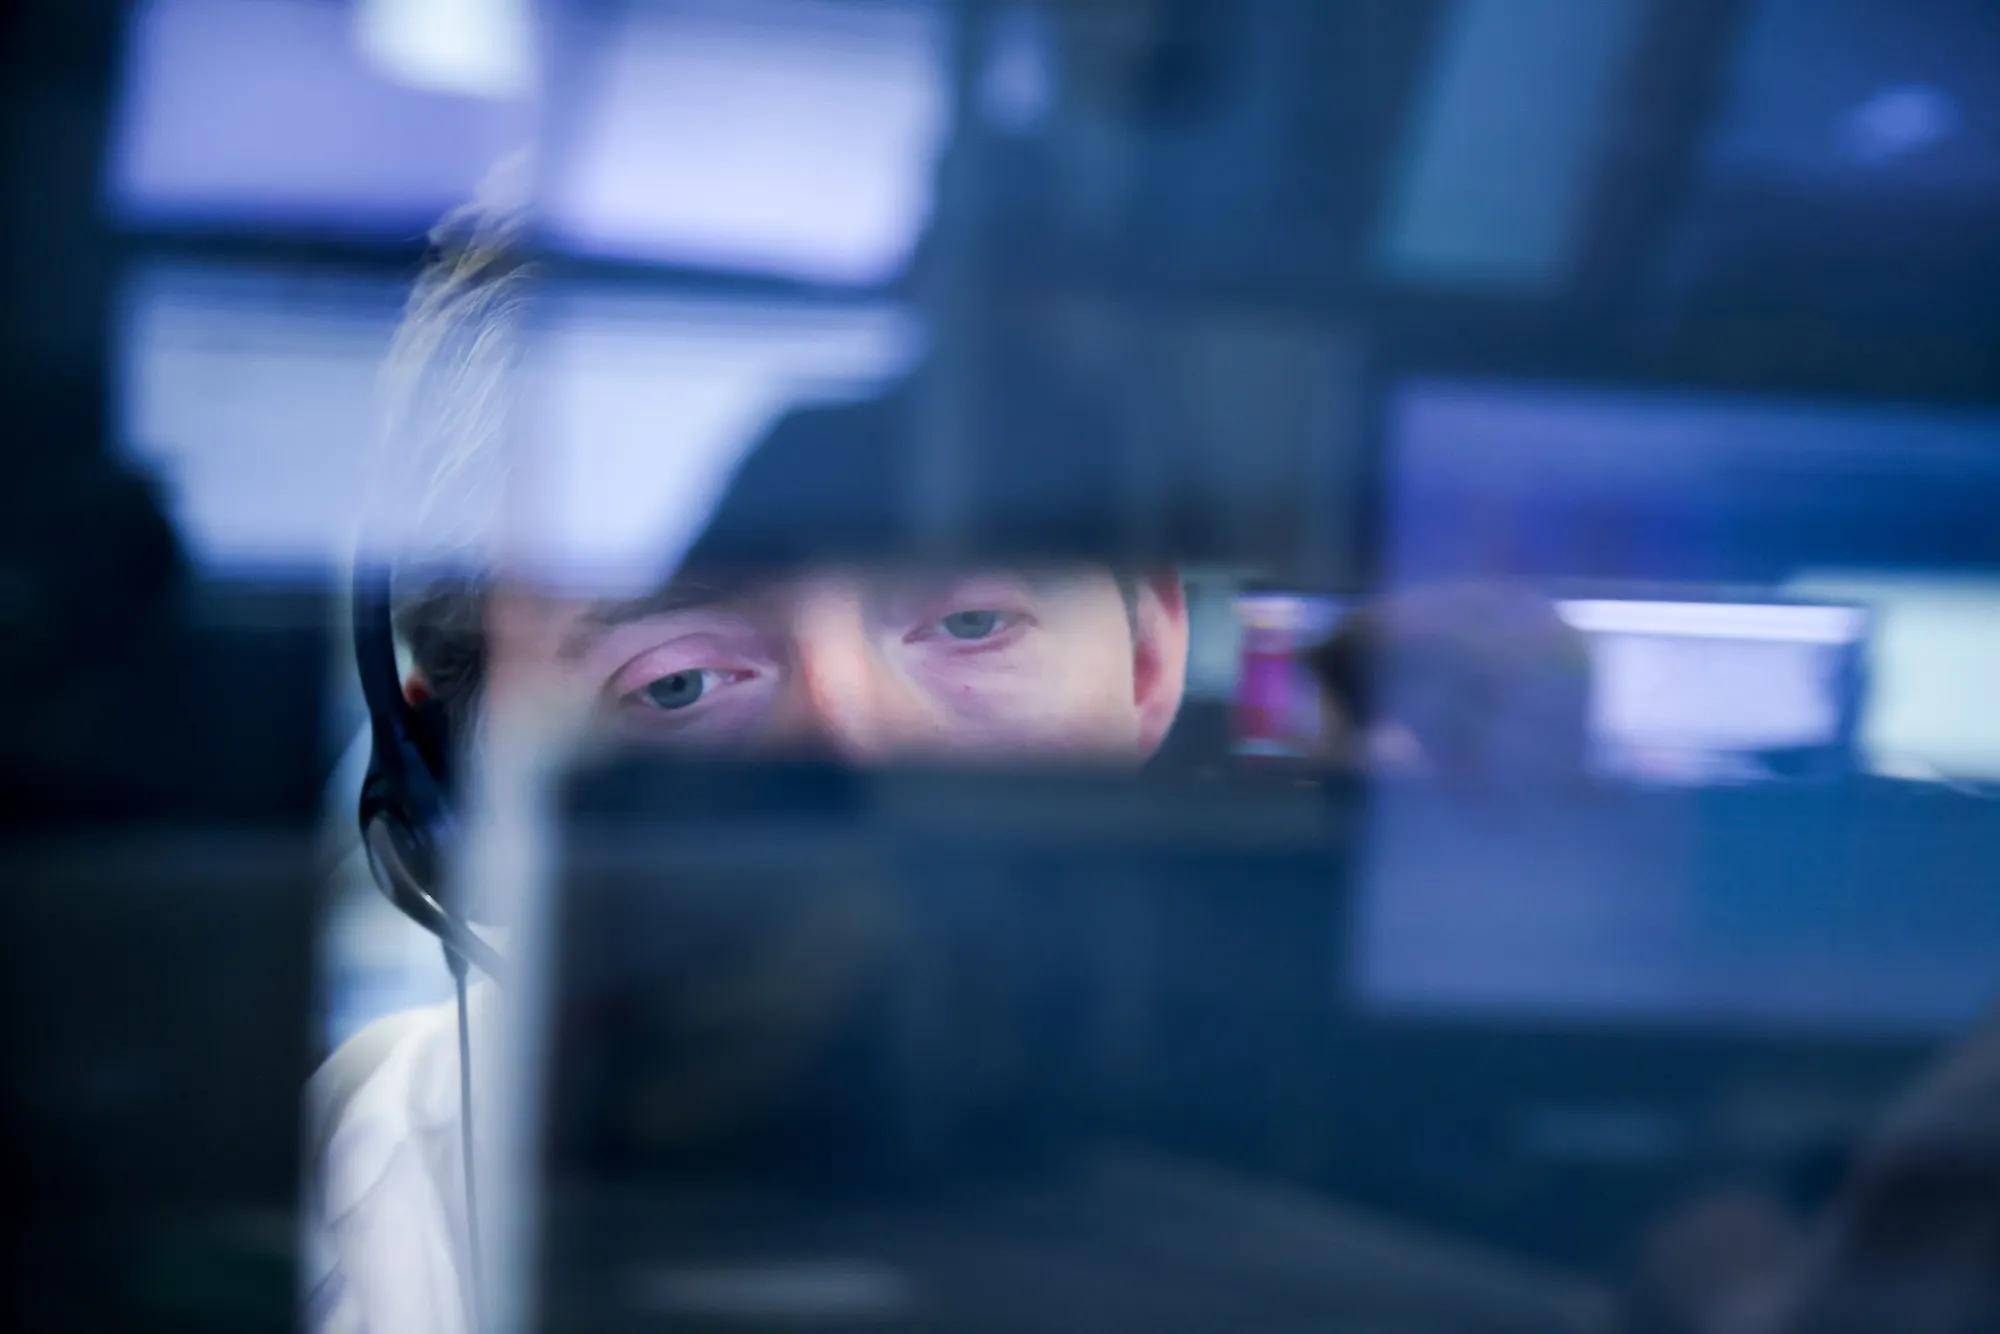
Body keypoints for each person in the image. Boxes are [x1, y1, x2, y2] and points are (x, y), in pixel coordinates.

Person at [307, 185, 1190, 1332]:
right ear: (451, 785)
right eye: (675, 682)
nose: (856, 761)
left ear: (1148, 662)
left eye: (970, 625)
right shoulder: (361, 1234)